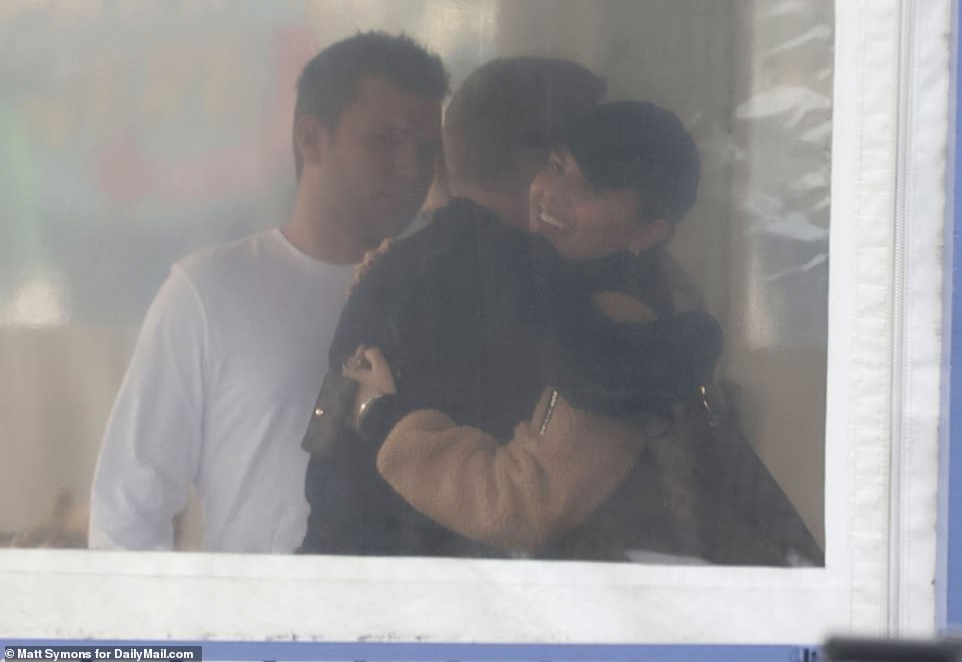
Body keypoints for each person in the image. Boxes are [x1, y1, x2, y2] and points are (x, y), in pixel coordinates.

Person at [89, 31, 448, 552]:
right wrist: (174, 634)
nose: (411, 168)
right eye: (384, 140)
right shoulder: (210, 293)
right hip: (252, 626)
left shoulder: (444, 296)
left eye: (425, 149)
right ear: (311, 139)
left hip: (420, 622)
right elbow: (127, 515)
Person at [323, 101, 726, 561]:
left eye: (591, 188)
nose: (555, 192)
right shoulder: (543, 277)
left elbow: (520, 507)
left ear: (646, 233)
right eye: (556, 166)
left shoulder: (620, 325)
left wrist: (382, 415)